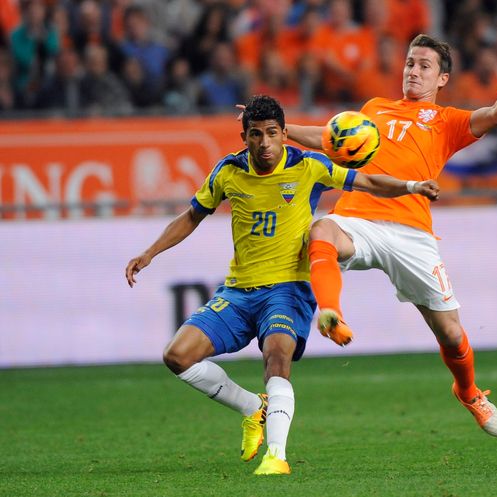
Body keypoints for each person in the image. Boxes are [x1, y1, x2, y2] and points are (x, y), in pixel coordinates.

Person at [124, 95, 439, 476]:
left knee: (276, 358)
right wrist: (150, 252)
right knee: (177, 356)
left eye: (272, 133)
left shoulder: (309, 166)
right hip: (238, 292)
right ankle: (251, 408)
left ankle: (277, 455)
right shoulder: (227, 172)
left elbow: (367, 181)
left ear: (285, 134)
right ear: (244, 137)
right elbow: (192, 215)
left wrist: (411, 185)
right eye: (255, 135)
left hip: (289, 289)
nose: (264, 143)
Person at [286, 34, 497, 438]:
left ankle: (469, 392)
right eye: (409, 63)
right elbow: (327, 136)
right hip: (359, 218)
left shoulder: (447, 121)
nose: (413, 72)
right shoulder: (374, 110)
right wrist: (282, 130)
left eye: (423, 66)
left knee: (452, 335)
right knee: (321, 229)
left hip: (412, 233)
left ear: (442, 79)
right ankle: (330, 312)